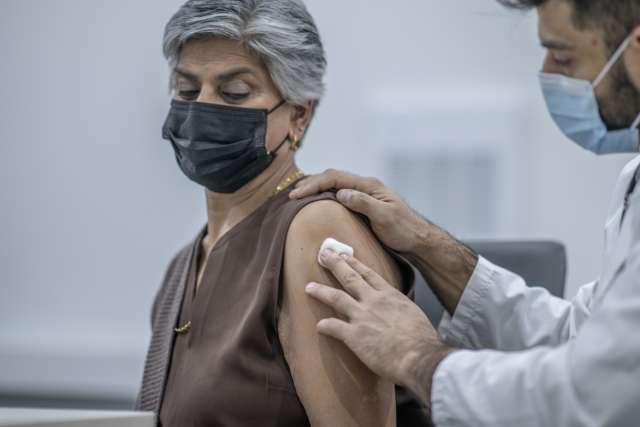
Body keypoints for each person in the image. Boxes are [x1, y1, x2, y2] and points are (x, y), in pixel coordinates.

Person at [291, 0, 640, 425]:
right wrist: (423, 242)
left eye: (564, 56)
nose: (547, 72)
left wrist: (416, 356)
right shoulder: (633, 182)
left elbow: (588, 396)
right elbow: (579, 340)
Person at [135, 0, 427, 426]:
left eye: (234, 93)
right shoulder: (183, 265)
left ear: (299, 116)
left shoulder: (316, 231)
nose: (203, 108)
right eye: (186, 90)